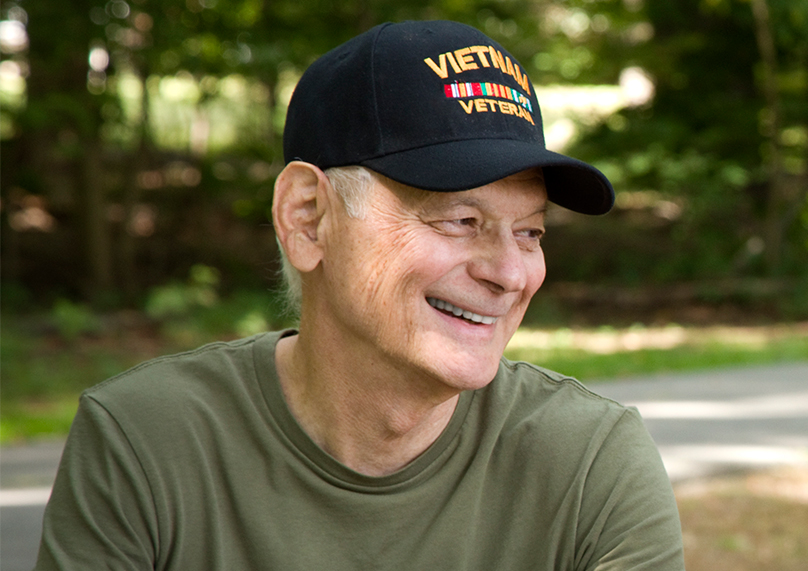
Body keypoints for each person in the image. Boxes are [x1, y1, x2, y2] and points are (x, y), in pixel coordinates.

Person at [36, 21, 684, 570]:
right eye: (460, 220)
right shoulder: (147, 442)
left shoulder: (590, 467)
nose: (511, 273)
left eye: (531, 231)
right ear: (309, 217)